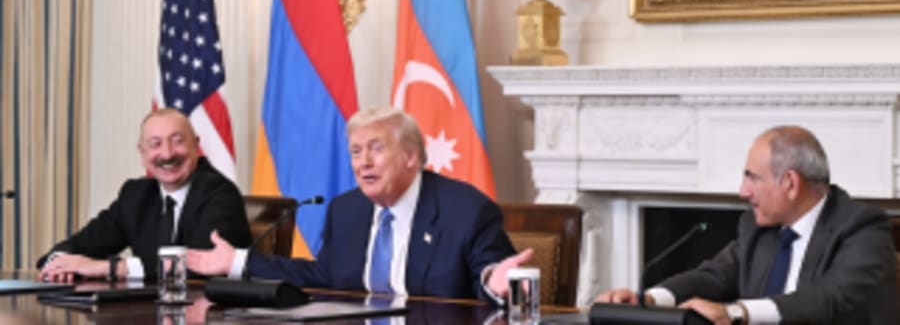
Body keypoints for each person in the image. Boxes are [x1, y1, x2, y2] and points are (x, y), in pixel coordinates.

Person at [187, 106, 532, 302]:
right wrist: (237, 261)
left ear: (411, 156)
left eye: (376, 149)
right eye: (355, 152)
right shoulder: (346, 210)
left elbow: (490, 274)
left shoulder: (466, 209)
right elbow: (323, 276)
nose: (363, 162)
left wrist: (493, 280)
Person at [595, 125, 898, 324]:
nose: (743, 192)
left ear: (790, 183)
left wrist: (737, 312)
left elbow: (830, 299)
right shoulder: (758, 227)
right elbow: (713, 276)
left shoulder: (862, 228)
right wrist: (647, 300)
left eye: (752, 178)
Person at [38, 108, 251, 282]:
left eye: (177, 140)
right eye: (155, 144)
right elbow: (83, 244)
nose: (167, 154)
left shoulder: (220, 193)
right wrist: (60, 264)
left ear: (196, 145)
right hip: (146, 312)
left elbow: (202, 263)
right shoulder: (136, 195)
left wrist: (110, 268)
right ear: (142, 154)